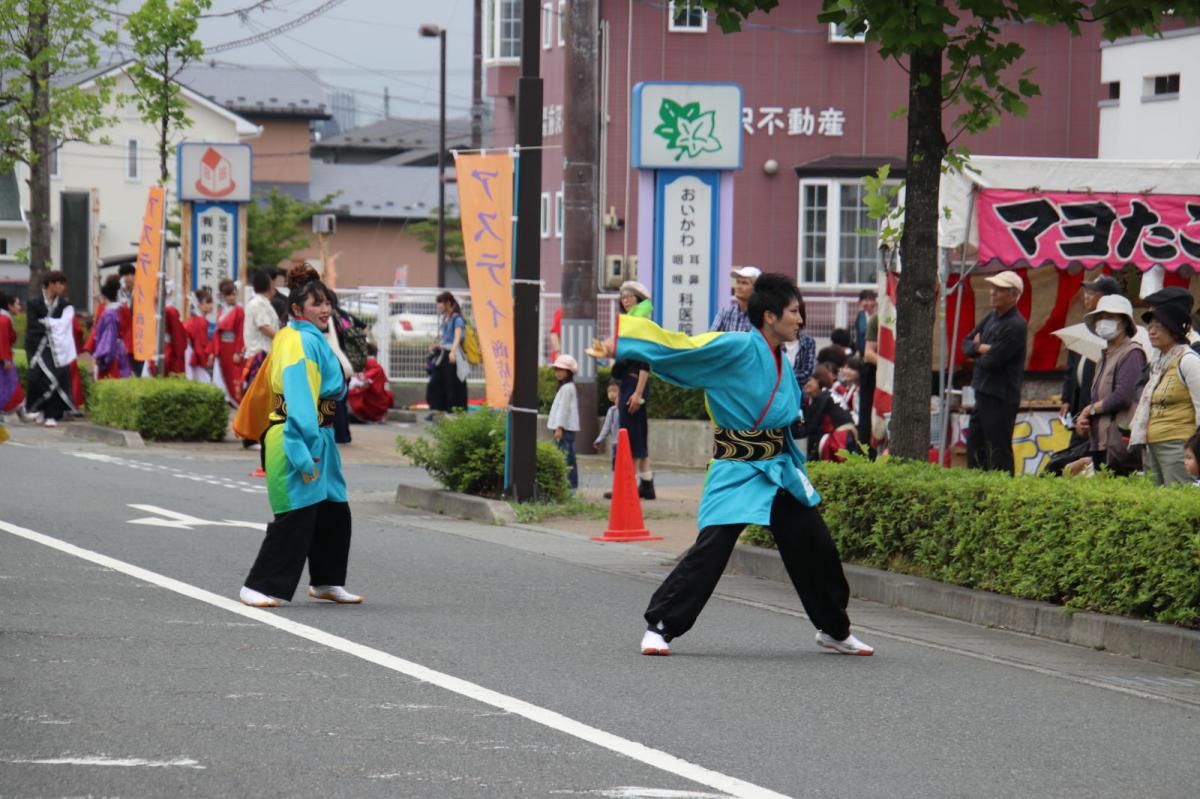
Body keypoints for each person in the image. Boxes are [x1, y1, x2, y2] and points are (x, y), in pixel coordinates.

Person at [616, 272, 873, 657]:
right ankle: (661, 625)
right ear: (770, 316)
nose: (800, 319)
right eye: (793, 311)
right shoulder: (735, 346)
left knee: (816, 547)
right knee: (712, 548)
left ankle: (834, 629)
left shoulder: (781, 358)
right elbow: (684, 349)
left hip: (778, 470)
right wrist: (636, 330)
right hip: (738, 467)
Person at [239, 265, 362, 608]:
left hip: (319, 434)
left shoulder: (300, 336)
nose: (325, 310)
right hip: (298, 435)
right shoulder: (299, 341)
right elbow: (299, 398)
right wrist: (302, 449)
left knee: (334, 511)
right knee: (296, 514)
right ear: (296, 309)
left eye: (327, 303)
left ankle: (326, 581)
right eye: (316, 304)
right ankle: (258, 585)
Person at [1129, 298, 1200, 486]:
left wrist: (1195, 449)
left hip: (1178, 446)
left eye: (1158, 326)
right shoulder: (1157, 364)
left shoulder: (1188, 361)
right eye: (1150, 326)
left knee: (1178, 498)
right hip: (1152, 444)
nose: (1151, 331)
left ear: (1174, 330)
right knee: (1156, 501)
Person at [962, 270, 1027, 474]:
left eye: (999, 289)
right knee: (975, 446)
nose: (992, 292)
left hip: (1000, 396)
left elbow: (992, 361)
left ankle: (1003, 489)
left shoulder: (1016, 325)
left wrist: (979, 349)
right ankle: (978, 487)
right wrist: (982, 348)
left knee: (998, 450)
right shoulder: (991, 317)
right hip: (983, 392)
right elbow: (966, 344)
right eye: (993, 288)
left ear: (1013, 295)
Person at [1072, 295, 1145, 475]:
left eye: (1111, 317)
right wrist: (1084, 421)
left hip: (1118, 442)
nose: (1104, 322)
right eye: (1100, 317)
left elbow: (1123, 396)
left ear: (1124, 322)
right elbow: (1098, 397)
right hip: (1100, 441)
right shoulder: (1103, 357)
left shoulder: (1132, 353)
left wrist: (1089, 410)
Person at [612, 280, 656, 499]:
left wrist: (638, 394)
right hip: (629, 383)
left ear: (639, 300)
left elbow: (645, 363)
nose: (625, 300)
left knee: (630, 436)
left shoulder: (641, 324)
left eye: (629, 297)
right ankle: (646, 484)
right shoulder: (632, 323)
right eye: (623, 297)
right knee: (637, 434)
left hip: (635, 383)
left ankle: (627, 487)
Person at [1060, 275, 1120, 434]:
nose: (1086, 296)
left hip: (1097, 409)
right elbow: (1071, 367)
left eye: (1092, 293)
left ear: (1106, 298)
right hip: (1078, 406)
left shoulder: (1113, 333)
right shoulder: (1083, 327)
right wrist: (1066, 399)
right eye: (1086, 292)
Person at [25, 270, 78, 427]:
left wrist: (46, 323)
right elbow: (32, 326)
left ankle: (51, 415)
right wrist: (52, 326)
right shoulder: (34, 304)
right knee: (36, 379)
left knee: (55, 381)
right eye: (60, 284)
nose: (63, 287)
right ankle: (40, 409)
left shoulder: (65, 306)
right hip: (38, 348)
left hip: (58, 349)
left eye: (63, 284)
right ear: (51, 284)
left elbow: (64, 325)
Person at [426, 290, 468, 414]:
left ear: (448, 303)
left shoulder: (457, 319)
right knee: (438, 382)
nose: (438, 305)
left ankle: (452, 410)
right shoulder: (446, 318)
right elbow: (446, 338)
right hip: (444, 354)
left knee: (451, 384)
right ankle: (439, 410)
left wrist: (453, 352)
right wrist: (437, 345)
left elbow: (457, 337)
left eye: (440, 302)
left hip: (452, 356)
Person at [88, 278, 132, 380]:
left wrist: (99, 354)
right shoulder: (120, 308)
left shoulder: (109, 314)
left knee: (110, 378)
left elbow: (108, 337)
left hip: (112, 351)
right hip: (120, 348)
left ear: (104, 297)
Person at [548, 354, 581, 490]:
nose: (558, 372)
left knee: (565, 458)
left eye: (562, 370)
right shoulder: (566, 387)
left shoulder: (567, 388)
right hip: (565, 428)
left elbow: (563, 410)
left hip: (564, 429)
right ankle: (570, 486)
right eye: (557, 369)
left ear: (569, 372)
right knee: (567, 457)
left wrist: (559, 427)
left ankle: (569, 487)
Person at [242, 269, 277, 395]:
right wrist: (283, 337)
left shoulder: (261, 302)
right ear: (268, 286)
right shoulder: (258, 303)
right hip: (259, 355)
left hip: (263, 354)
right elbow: (264, 327)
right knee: (259, 394)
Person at [215, 279, 245, 404]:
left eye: (234, 294)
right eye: (229, 295)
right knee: (223, 372)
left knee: (234, 374)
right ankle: (227, 398)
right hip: (222, 346)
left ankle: (237, 400)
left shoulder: (239, 311)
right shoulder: (221, 310)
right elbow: (217, 331)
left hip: (233, 346)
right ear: (223, 296)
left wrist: (238, 351)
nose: (232, 297)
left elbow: (240, 332)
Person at [348, 342, 393, 423]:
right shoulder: (376, 366)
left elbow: (362, 382)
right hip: (380, 401)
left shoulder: (367, 364)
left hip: (368, 401)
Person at [709, 265, 762, 332]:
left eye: (744, 283)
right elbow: (711, 336)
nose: (738, 287)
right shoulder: (725, 313)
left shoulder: (762, 316)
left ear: (756, 288)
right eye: (738, 282)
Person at [0, 292, 26, 418]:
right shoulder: (4, 320)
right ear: (9, 306)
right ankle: (22, 414)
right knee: (11, 386)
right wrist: (6, 359)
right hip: (3, 360)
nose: (19, 307)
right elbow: (4, 340)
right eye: (17, 304)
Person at [184, 288, 215, 384]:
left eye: (211, 302)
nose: (211, 305)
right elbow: (200, 346)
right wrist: (205, 362)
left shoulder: (195, 320)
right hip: (190, 353)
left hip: (190, 352)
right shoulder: (200, 322)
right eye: (208, 302)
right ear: (199, 305)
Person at [161, 282, 188, 376]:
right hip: (169, 349)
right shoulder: (171, 310)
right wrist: (180, 353)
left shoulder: (158, 308)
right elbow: (178, 336)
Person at [791, 293, 817, 389]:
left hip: (798, 392)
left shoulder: (808, 342)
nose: (798, 319)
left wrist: (782, 377)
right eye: (793, 312)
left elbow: (807, 372)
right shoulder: (775, 341)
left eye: (799, 313)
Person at [595, 380, 621, 470]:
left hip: (625, 443)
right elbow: (606, 427)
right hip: (615, 444)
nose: (611, 394)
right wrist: (599, 439)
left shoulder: (625, 409)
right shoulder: (611, 410)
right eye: (609, 391)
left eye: (614, 391)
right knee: (616, 467)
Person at [854, 289, 877, 355]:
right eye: (866, 300)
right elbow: (858, 335)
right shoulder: (860, 316)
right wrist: (857, 350)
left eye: (871, 300)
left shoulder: (878, 315)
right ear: (860, 302)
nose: (869, 303)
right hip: (862, 351)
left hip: (875, 352)